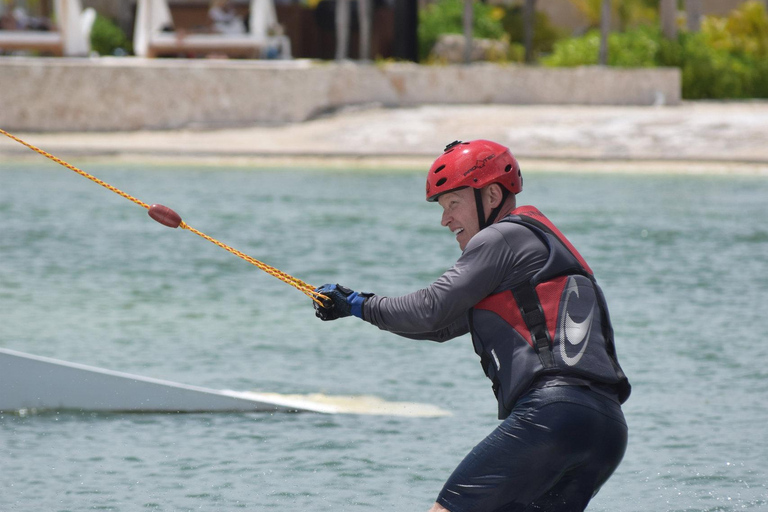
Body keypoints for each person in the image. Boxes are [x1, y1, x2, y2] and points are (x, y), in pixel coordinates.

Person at [313, 139, 631, 512]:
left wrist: (359, 303)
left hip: (552, 414)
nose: (445, 220)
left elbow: (431, 308)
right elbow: (440, 326)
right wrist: (357, 310)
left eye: (453, 204)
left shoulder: (502, 237)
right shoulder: (541, 247)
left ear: (492, 194)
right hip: (606, 428)